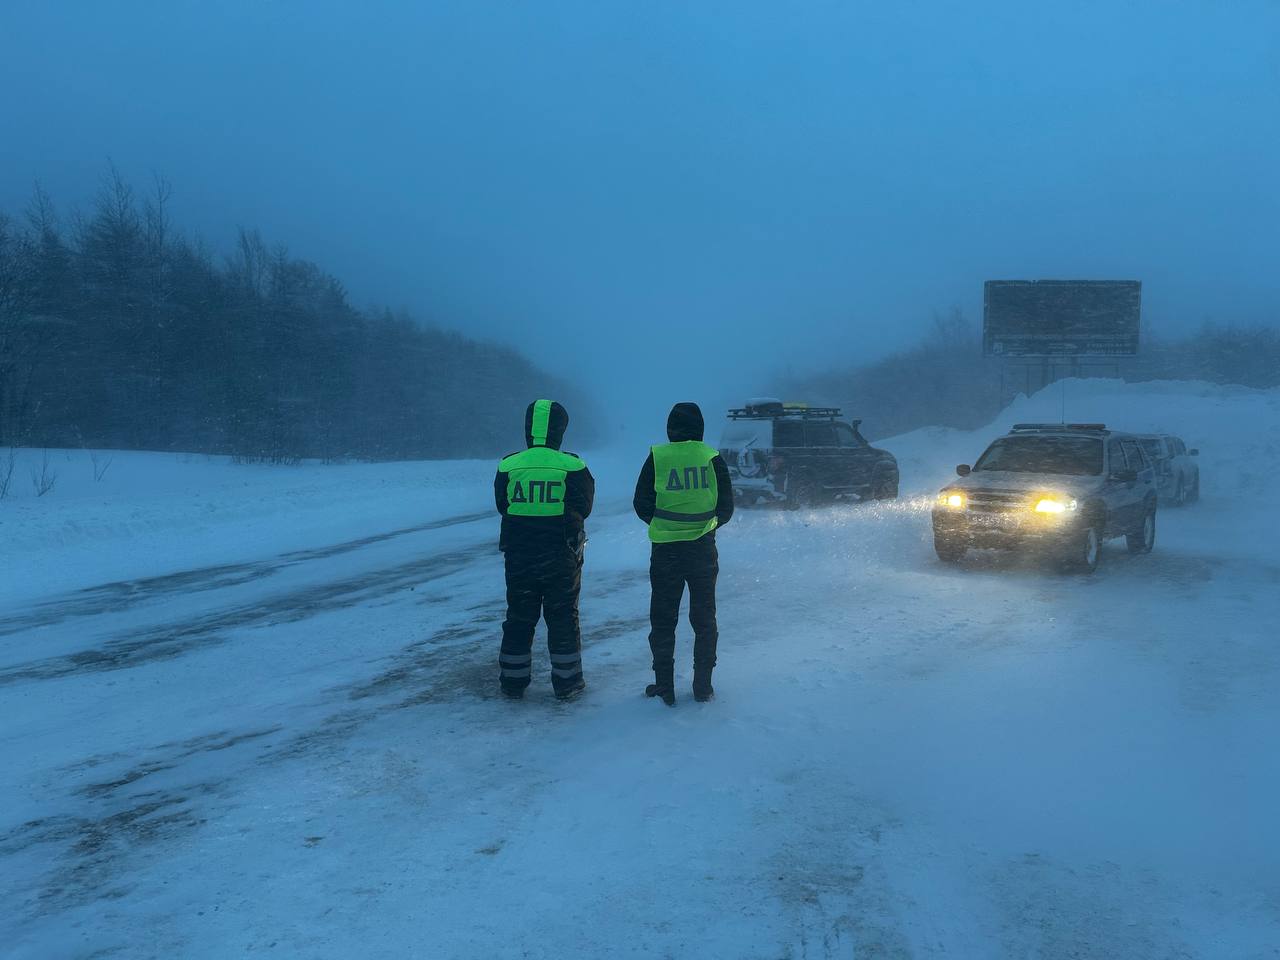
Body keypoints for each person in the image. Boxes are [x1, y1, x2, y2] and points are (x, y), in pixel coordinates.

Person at [633, 402, 733, 705]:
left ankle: (664, 686)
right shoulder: (712, 458)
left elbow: (641, 503)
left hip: (665, 552)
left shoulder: (658, 456)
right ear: (700, 428)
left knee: (663, 620)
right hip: (702, 551)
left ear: (670, 428)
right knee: (704, 619)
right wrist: (704, 526)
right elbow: (726, 509)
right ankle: (703, 686)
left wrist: (665, 525)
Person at [494, 399, 594, 701]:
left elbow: (503, 506)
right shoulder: (573, 466)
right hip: (561, 556)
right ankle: (568, 683)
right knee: (563, 616)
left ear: (529, 428)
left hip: (519, 555)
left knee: (519, 617)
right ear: (560, 430)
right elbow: (584, 508)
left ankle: (513, 682)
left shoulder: (508, 465)